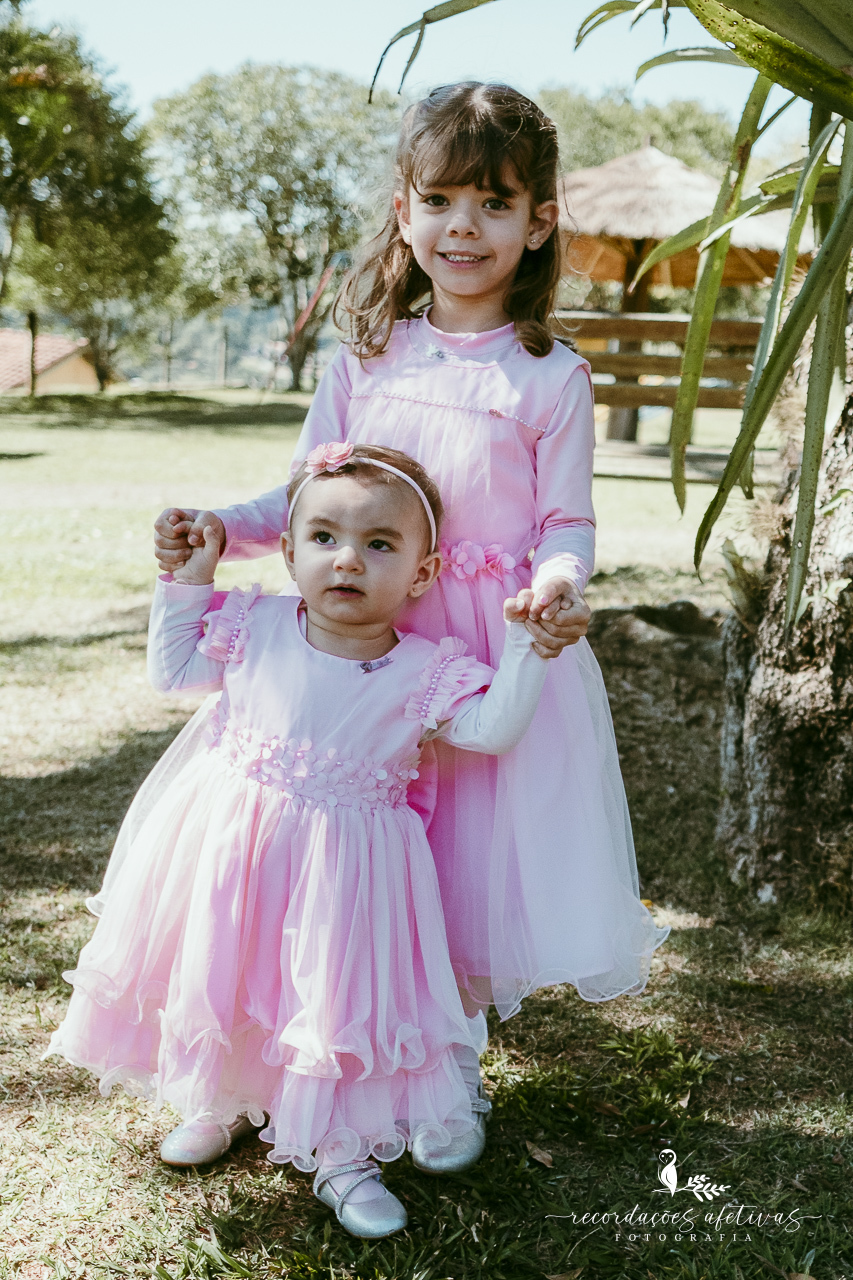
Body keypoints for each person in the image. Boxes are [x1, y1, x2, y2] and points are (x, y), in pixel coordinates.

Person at [152, 81, 667, 1175]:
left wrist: (559, 581)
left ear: (537, 222)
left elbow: (566, 517)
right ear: (404, 213)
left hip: (480, 653)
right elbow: (302, 495)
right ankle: (257, 1067)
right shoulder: (368, 354)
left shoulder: (549, 374)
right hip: (353, 652)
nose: (462, 226)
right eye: (439, 199)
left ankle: (441, 1071)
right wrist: (219, 527)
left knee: (456, 870)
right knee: (323, 862)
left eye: (492, 202)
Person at [46, 443, 556, 1239]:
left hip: (350, 878)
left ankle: (340, 1153)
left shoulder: (427, 668)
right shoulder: (257, 627)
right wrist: (187, 581)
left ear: (420, 576)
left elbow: (490, 732)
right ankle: (226, 1101)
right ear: (287, 553)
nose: (347, 559)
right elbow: (173, 672)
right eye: (323, 538)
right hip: (234, 848)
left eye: (379, 545)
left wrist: (528, 648)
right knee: (231, 970)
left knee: (328, 999)